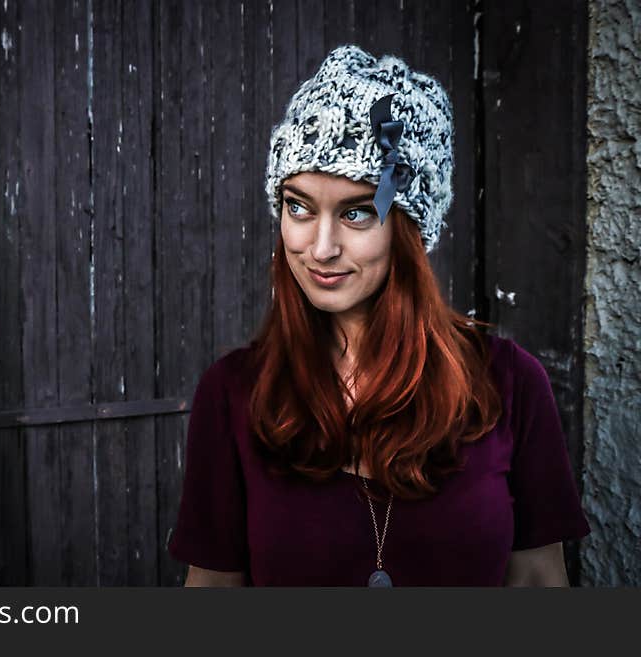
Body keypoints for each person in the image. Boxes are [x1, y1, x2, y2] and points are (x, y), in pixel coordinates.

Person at [166, 44, 591, 586]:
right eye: (298, 206)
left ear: (412, 230)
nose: (320, 247)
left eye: (357, 212)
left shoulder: (509, 384)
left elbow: (537, 583)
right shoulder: (233, 394)